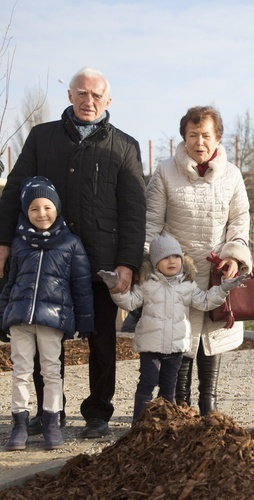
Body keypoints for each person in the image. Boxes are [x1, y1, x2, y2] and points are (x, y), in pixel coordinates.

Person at [0, 67, 147, 439]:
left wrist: (127, 262)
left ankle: (98, 411)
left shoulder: (124, 146)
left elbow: (134, 209)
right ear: (69, 96)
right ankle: (51, 410)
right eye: (82, 93)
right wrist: (3, 243)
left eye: (97, 95)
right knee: (43, 334)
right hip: (44, 259)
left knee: (102, 337)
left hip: (101, 261)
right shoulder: (41, 137)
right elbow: (13, 191)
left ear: (108, 101)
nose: (89, 100)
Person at [145, 106, 252, 416]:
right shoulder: (165, 171)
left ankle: (209, 403)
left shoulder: (232, 175)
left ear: (217, 137)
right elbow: (152, 224)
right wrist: (155, 266)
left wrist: (234, 256)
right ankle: (180, 403)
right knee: (181, 338)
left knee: (210, 337)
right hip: (176, 272)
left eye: (206, 135)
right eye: (193, 135)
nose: (199, 142)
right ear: (184, 138)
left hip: (218, 272)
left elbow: (239, 221)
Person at [98, 234, 246, 422]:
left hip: (176, 347)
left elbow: (205, 301)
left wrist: (223, 288)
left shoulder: (187, 284)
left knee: (169, 387)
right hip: (150, 346)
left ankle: (166, 423)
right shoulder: (147, 283)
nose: (172, 261)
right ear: (154, 263)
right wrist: (114, 289)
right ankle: (139, 422)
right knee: (147, 382)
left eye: (176, 257)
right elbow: (129, 302)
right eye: (165, 258)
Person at [0, 177, 95, 450]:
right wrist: (2, 316)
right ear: (25, 212)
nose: (41, 214)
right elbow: (11, 282)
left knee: (51, 371)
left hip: (52, 319)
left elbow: (81, 285)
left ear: (57, 208)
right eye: (34, 209)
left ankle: (52, 422)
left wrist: (85, 321)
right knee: (20, 371)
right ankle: (19, 424)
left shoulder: (71, 243)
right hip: (20, 319)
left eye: (47, 207)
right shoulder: (19, 243)